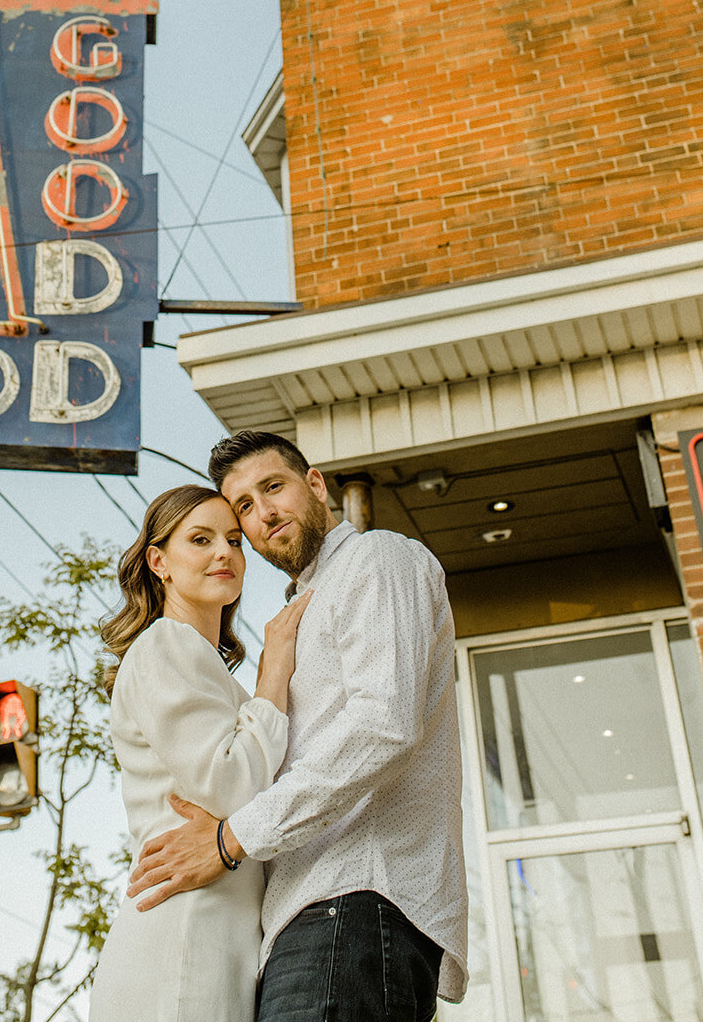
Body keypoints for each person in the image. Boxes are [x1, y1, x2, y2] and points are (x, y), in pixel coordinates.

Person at [128, 431, 469, 1021]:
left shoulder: (376, 557)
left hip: (357, 896)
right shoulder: (300, 608)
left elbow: (382, 725)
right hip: (309, 911)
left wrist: (230, 840)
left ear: (315, 485)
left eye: (273, 488)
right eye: (244, 508)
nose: (263, 514)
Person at [89, 482, 310, 1022]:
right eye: (201, 539)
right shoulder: (167, 644)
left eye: (234, 540)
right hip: (186, 928)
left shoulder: (218, 678)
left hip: (221, 925)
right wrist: (275, 670)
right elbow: (232, 784)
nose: (224, 553)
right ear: (158, 560)